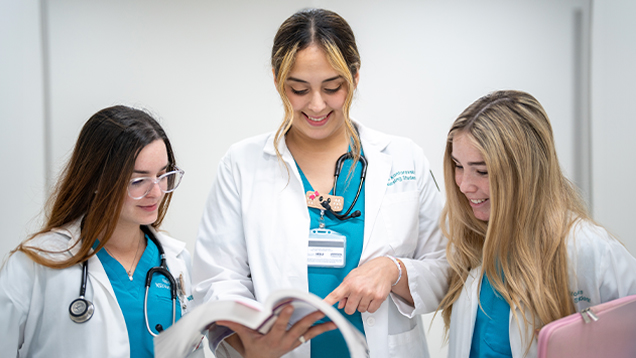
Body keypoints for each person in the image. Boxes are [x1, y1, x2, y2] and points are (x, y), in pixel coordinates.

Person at [192, 8, 448, 358]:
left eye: (332, 87)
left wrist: (394, 270)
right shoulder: (242, 164)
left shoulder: (404, 159)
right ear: (277, 81)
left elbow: (447, 268)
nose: (316, 105)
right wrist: (247, 341)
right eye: (299, 89)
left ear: (355, 77)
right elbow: (217, 279)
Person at [438, 90, 636, 357]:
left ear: (524, 171)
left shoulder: (587, 248)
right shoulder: (473, 239)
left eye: (481, 171)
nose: (463, 184)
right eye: (457, 165)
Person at [0, 106, 200, 358]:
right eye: (138, 181)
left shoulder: (177, 262)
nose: (157, 192)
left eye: (163, 175)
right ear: (97, 180)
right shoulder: (36, 265)